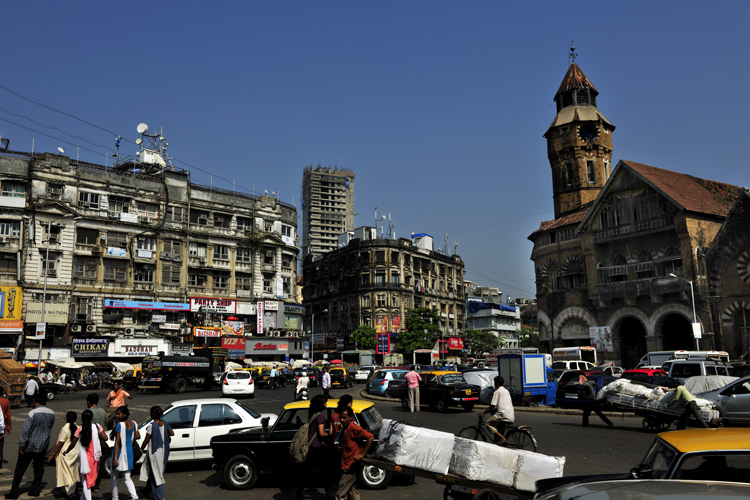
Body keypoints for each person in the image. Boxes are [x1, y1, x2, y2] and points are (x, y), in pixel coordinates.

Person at [6, 395, 54, 499]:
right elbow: (49, 429)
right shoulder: (51, 413)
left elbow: (25, 431)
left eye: (33, 402)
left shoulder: (32, 413)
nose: (32, 403)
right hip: (43, 446)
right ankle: (35, 490)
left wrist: (22, 446)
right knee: (38, 469)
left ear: (37, 403)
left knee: (20, 469)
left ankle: (14, 492)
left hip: (30, 446)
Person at [64, 409, 107, 500]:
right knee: (89, 480)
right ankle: (83, 498)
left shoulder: (79, 429)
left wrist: (66, 451)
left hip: (84, 459)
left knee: (85, 482)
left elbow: (73, 444)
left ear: (82, 418)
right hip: (95, 458)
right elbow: (105, 438)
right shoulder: (97, 426)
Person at [334, 407, 374, 500]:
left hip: (351, 466)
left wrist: (362, 454)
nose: (341, 420)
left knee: (340, 495)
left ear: (350, 417)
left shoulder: (354, 428)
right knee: (352, 492)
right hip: (347, 464)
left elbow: (370, 437)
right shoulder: (345, 428)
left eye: (344, 418)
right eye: (341, 418)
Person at [295, 395, 330, 500]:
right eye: (325, 402)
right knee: (326, 472)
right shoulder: (320, 416)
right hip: (317, 447)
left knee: (305, 472)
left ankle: (299, 493)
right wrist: (331, 434)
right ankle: (329, 494)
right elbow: (321, 433)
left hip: (309, 446)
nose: (326, 404)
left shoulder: (312, 414)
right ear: (321, 404)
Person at [140, 406, 174, 500]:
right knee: (154, 473)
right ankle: (146, 491)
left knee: (157, 475)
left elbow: (146, 440)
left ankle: (160, 497)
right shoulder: (165, 423)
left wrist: (141, 449)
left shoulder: (152, 425)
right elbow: (172, 433)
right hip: (163, 452)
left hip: (154, 453)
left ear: (152, 414)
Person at [46, 411, 80, 499]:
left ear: (67, 418)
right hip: (75, 453)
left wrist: (52, 454)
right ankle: (70, 490)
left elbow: (60, 444)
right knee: (72, 472)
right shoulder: (78, 427)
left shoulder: (65, 428)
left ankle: (71, 492)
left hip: (65, 454)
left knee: (66, 474)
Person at [111, 406, 140, 500]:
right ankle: (134, 496)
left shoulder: (120, 425)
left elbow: (117, 442)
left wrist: (115, 458)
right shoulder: (134, 423)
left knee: (114, 477)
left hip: (119, 453)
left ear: (124, 414)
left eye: (119, 414)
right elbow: (138, 436)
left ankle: (115, 497)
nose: (117, 415)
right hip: (129, 452)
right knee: (127, 477)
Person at [480, 376, 514, 444]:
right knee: (498, 427)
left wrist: (484, 413)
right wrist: (494, 411)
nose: (494, 384)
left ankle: (502, 438)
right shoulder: (506, 391)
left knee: (487, 423)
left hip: (503, 415)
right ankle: (498, 442)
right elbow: (502, 404)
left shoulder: (497, 392)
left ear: (497, 383)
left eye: (495, 382)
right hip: (510, 415)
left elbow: (492, 405)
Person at [86, 393, 108, 492]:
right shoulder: (103, 412)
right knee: (97, 463)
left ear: (88, 402)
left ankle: (89, 483)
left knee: (90, 463)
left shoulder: (88, 412)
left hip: (90, 442)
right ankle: (96, 485)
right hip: (101, 441)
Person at [0, 390, 11, 469]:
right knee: (0, 445)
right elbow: (8, 415)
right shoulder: (5, 401)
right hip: (1, 427)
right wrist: (8, 427)